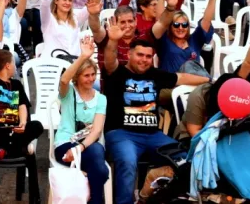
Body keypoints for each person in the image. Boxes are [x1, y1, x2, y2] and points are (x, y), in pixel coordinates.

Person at [102, 22, 209, 204]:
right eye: (140, 55)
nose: (144, 60)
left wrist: (210, 80)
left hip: (153, 135)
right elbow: (109, 60)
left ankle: (155, 197)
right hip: (122, 134)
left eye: (148, 56)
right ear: (129, 55)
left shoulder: (155, 74)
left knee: (186, 157)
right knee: (127, 162)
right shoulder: (117, 73)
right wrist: (112, 40)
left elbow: (182, 78)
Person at [0, 0, 44, 161]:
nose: (15, 66)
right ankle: (13, 148)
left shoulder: (16, 84)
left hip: (14, 128)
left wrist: (22, 122)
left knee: (36, 125)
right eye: (13, 64)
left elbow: (22, 105)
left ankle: (3, 150)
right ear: (7, 66)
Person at [53, 37, 109, 204]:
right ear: (77, 77)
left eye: (93, 75)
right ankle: (96, 200)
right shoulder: (68, 92)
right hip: (65, 144)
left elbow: (97, 130)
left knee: (97, 156)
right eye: (86, 75)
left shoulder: (101, 99)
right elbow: (64, 79)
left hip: (88, 145)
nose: (91, 79)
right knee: (101, 170)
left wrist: (80, 148)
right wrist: (83, 57)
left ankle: (94, 200)